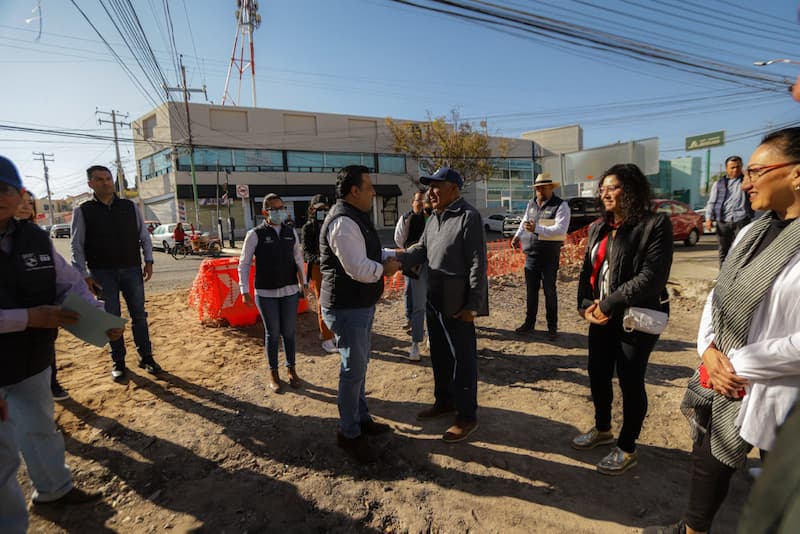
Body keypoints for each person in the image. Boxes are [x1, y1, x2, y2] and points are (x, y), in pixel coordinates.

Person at [645, 127, 800, 534]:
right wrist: (709, 350)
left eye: (756, 171)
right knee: (708, 463)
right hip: (724, 378)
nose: (744, 182)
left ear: (796, 174)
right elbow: (719, 295)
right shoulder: (752, 232)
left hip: (782, 395)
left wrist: (739, 363)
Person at [0, 156, 124, 532]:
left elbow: (67, 283)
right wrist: (28, 318)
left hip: (29, 360)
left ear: (20, 194)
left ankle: (54, 490)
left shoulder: (33, 237)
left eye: (4, 189)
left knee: (39, 426)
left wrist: (100, 318)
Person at [573, 163, 673, 475]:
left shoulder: (654, 224)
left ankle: (627, 447)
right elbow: (587, 271)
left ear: (631, 189)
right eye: (602, 188)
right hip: (601, 316)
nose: (605, 193)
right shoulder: (598, 228)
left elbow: (653, 276)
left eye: (612, 187)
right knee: (597, 373)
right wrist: (585, 303)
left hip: (635, 316)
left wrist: (610, 303)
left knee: (630, 380)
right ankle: (603, 430)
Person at [400, 167, 488, 443]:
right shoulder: (434, 218)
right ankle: (444, 401)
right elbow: (421, 250)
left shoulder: (468, 217)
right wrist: (395, 258)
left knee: (462, 359)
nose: (431, 192)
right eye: (429, 187)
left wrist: (473, 305)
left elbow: (477, 262)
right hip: (434, 297)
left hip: (458, 301)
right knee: (439, 354)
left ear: (454, 188)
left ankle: (466, 416)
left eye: (437, 186)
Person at [320, 165, 401, 463]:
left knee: (359, 367)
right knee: (352, 370)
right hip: (346, 307)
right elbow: (358, 268)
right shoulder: (343, 222)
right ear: (354, 190)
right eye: (369, 187)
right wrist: (386, 270)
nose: (373, 192)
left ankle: (361, 418)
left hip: (359, 305)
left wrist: (394, 255)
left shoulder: (356, 218)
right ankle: (349, 433)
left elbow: (370, 254)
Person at [71, 165, 162, 381]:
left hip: (132, 270)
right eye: (100, 179)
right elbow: (77, 245)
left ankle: (146, 357)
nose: (106, 182)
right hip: (102, 274)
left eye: (108, 178)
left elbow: (144, 236)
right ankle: (118, 362)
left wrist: (149, 260)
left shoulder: (129, 207)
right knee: (111, 319)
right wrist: (84, 275)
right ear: (90, 184)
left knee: (139, 315)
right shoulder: (83, 211)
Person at [239, 193, 306, 393]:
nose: (279, 212)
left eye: (282, 208)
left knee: (289, 332)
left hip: (290, 289)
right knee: (273, 333)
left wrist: (304, 282)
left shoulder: (290, 232)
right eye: (275, 209)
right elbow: (243, 264)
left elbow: (298, 258)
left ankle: (291, 369)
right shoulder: (255, 234)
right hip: (265, 292)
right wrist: (244, 290)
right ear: (264, 212)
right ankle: (273, 373)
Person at [15, 191, 70, 401]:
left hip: (44, 311)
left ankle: (52, 384)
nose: (27, 207)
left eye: (30, 203)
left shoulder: (38, 236)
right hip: (14, 318)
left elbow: (65, 275)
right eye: (21, 203)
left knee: (46, 350)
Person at [512, 172, 571, 340]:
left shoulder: (561, 206)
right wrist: (517, 235)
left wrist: (536, 229)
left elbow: (560, 229)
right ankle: (529, 323)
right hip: (531, 255)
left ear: (550, 188)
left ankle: (552, 327)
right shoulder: (531, 203)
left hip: (549, 257)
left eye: (543, 187)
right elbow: (525, 221)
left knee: (549, 292)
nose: (539, 190)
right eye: (537, 188)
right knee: (531, 292)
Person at [394, 189, 429, 361]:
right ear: (413, 202)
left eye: (425, 201)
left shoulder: (435, 217)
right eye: (419, 201)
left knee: (434, 304)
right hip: (415, 266)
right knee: (418, 305)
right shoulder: (407, 218)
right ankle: (416, 343)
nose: (422, 205)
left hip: (435, 266)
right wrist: (410, 254)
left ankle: (431, 336)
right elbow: (399, 240)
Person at [300, 194, 338, 354]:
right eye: (319, 209)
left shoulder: (332, 224)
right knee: (323, 302)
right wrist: (319, 259)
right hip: (318, 268)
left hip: (335, 267)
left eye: (325, 208)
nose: (323, 211)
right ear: (312, 209)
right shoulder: (308, 227)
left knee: (336, 302)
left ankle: (334, 332)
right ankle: (327, 337)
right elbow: (306, 252)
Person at [704, 155, 753, 265]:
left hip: (742, 220)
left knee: (742, 250)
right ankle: (722, 275)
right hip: (723, 221)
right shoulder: (719, 184)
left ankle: (738, 277)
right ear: (727, 168)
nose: (736, 169)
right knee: (723, 250)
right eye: (732, 167)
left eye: (738, 166)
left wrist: (747, 176)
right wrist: (708, 219)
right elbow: (712, 202)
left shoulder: (746, 181)